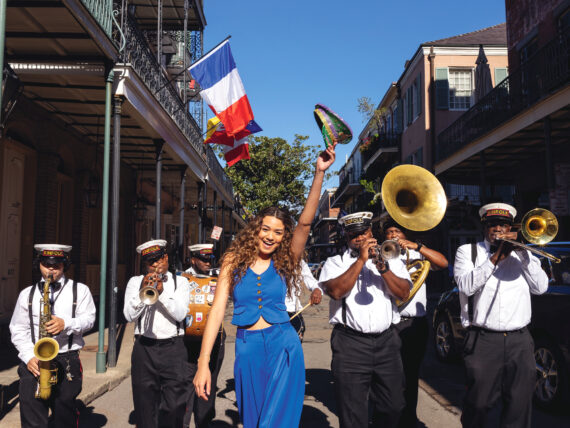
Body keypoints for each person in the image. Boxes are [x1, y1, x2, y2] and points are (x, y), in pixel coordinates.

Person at [193, 144, 336, 428]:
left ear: (284, 237)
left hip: (284, 345)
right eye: (266, 229)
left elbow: (306, 225)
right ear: (256, 229)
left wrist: (318, 174)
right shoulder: (233, 260)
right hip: (247, 350)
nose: (270, 236)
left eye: (279, 232)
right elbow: (217, 311)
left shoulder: (286, 260)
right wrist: (203, 363)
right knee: (254, 420)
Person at [454, 203, 548, 428]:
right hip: (483, 339)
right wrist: (497, 257)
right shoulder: (469, 251)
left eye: (504, 225)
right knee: (477, 405)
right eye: (492, 225)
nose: (498, 229)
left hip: (520, 340)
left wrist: (524, 254)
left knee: (519, 406)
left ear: (512, 228)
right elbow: (465, 286)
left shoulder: (525, 255)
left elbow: (541, 287)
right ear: (484, 228)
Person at [318, 212, 412, 428]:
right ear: (346, 236)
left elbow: (403, 293)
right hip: (350, 344)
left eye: (364, 233)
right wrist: (361, 260)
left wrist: (384, 269)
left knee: (394, 405)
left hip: (387, 341)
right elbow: (336, 292)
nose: (360, 238)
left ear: (372, 232)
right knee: (352, 413)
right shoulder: (335, 262)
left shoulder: (392, 257)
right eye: (354, 235)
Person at [10, 244, 96, 428]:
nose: (51, 269)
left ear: (65, 265)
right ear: (39, 264)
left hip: (67, 358)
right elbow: (17, 329)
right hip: (34, 360)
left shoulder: (80, 290)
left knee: (65, 415)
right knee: (32, 416)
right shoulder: (27, 294)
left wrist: (67, 324)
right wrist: (28, 356)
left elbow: (89, 320)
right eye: (46, 264)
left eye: (56, 265)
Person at [382, 217, 448, 428]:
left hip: (415, 325)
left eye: (397, 231)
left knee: (411, 376)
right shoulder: (383, 257)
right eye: (390, 232)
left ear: (406, 235)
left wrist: (418, 246)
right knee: (389, 377)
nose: (393, 235)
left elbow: (443, 263)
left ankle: (408, 418)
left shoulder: (418, 254)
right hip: (390, 324)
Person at [124, 239, 191, 428]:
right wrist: (143, 293)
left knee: (175, 407)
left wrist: (162, 295)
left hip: (173, 348)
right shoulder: (135, 282)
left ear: (166, 257)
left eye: (158, 259)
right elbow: (129, 316)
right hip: (144, 349)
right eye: (150, 262)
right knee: (145, 407)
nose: (155, 265)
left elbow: (180, 314)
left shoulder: (181, 282)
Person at [183, 243, 225, 428]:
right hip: (187, 341)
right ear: (193, 260)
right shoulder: (182, 279)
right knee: (185, 388)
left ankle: (204, 422)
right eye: (203, 259)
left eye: (210, 259)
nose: (208, 263)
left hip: (214, 341)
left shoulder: (219, 278)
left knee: (208, 387)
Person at [285, 259, 323, 341]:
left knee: (293, 352)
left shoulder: (298, 261)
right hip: (268, 315)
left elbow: (312, 281)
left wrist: (317, 289)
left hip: (292, 314)